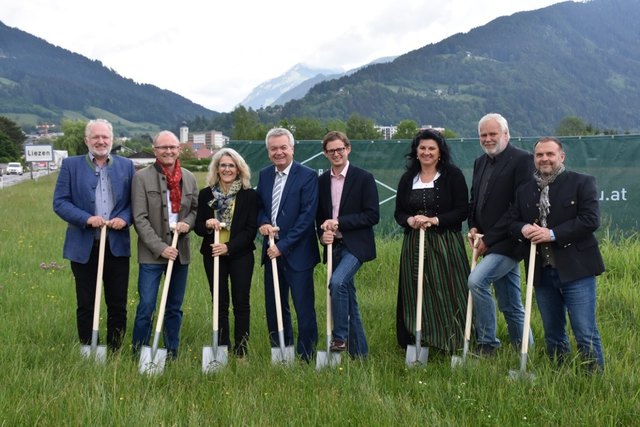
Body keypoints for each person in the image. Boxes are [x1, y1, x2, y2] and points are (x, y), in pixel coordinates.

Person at [508, 137, 605, 370]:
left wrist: (552, 234)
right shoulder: (525, 190)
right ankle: (559, 376)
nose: (544, 159)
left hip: (577, 269)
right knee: (553, 333)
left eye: (550, 154)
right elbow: (511, 221)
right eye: (539, 155)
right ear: (534, 159)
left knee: (584, 331)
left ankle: (594, 383)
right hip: (542, 271)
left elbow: (590, 220)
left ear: (561, 157)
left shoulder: (581, 182)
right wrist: (523, 228)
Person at [53, 118, 136, 352]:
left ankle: (115, 349)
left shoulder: (126, 166)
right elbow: (60, 203)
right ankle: (88, 348)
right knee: (86, 302)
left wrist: (125, 219)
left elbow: (134, 203)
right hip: (83, 246)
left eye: (105, 137)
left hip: (116, 245)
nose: (101, 141)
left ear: (112, 140)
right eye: (96, 137)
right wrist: (86, 219)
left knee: (117, 302)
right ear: (86, 140)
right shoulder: (71, 165)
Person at [394, 129, 470, 354]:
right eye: (422, 148)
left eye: (431, 149)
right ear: (416, 152)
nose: (426, 152)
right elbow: (399, 212)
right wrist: (411, 220)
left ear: (439, 153)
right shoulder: (409, 178)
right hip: (414, 243)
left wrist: (435, 220)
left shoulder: (452, 175)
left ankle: (452, 338)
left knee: (447, 289)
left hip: (445, 243)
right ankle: (421, 338)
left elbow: (462, 210)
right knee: (415, 289)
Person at [467, 113, 534, 355]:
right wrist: (473, 226)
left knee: (476, 282)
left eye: (492, 134)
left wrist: (489, 239)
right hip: (486, 239)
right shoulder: (480, 162)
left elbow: (519, 208)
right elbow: (475, 200)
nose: (487, 139)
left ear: (506, 134)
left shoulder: (523, 160)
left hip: (510, 242)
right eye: (483, 135)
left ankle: (487, 344)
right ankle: (525, 348)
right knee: (510, 303)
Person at [131, 130, 198, 359]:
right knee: (146, 305)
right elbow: (139, 218)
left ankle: (171, 352)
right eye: (163, 147)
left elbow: (195, 210)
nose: (168, 151)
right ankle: (139, 351)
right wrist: (161, 247)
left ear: (179, 149)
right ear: (154, 150)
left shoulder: (189, 177)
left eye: (172, 147)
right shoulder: (141, 178)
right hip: (152, 254)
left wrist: (187, 223)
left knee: (174, 307)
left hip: (180, 253)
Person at [256, 127, 319, 362]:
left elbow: (307, 216)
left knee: (303, 308)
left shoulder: (307, 175)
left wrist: (283, 245)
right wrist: (262, 222)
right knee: (274, 307)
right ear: (268, 151)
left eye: (283, 147)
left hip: (298, 253)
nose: (279, 152)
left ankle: (306, 356)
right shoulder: (264, 175)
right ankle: (281, 351)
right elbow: (260, 206)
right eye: (274, 149)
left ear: (292, 148)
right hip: (271, 251)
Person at [316, 131, 379, 358]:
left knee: (338, 282)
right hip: (334, 246)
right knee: (348, 299)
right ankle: (360, 354)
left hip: (356, 246)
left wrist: (340, 222)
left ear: (348, 149)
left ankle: (339, 337)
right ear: (325, 153)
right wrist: (323, 235)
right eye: (331, 150)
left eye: (340, 149)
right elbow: (319, 217)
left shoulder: (363, 177)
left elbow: (372, 215)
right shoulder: (321, 181)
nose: (336, 154)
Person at [194, 148, 258, 358]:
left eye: (231, 165)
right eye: (223, 165)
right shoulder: (206, 194)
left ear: (239, 169)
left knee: (241, 302)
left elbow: (250, 231)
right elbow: (198, 228)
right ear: (217, 168)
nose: (227, 169)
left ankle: (241, 352)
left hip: (240, 255)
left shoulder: (249, 195)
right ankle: (221, 349)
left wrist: (229, 247)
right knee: (219, 302)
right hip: (213, 255)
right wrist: (207, 223)